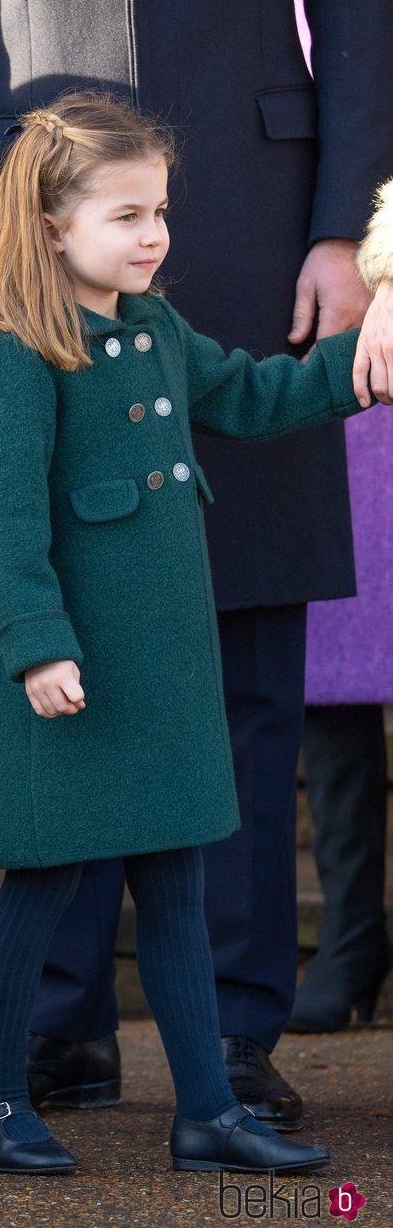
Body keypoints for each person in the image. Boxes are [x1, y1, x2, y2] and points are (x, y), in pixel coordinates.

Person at [0, 0, 393, 1126]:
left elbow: (361, 7)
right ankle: (57, 1032)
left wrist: (345, 238)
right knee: (75, 627)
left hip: (268, 232)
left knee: (250, 661)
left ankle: (239, 1037)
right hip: (35, 235)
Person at [0, 90, 383, 1177]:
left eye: (158, 211)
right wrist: (36, 645)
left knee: (180, 888)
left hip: (161, 668)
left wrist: (358, 366)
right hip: (67, 668)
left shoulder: (153, 330)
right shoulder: (17, 354)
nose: (152, 234)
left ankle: (205, 1110)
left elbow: (250, 395)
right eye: (125, 214)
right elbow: (7, 524)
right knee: (41, 881)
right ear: (52, 225)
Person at [293, 175, 393, 1033]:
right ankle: (352, 932)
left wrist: (391, 272)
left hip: (383, 290)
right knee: (330, 656)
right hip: (316, 327)